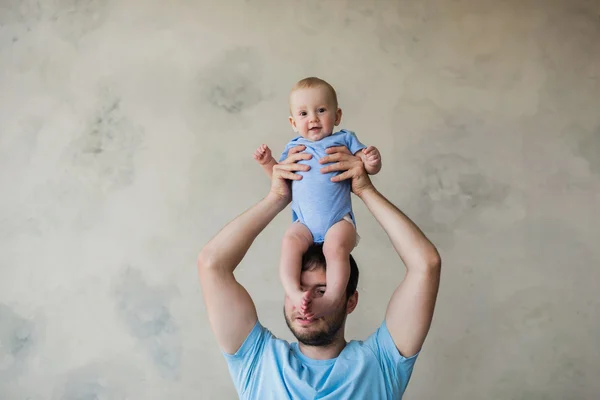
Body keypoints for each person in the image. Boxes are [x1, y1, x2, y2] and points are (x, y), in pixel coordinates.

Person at [197, 144, 442, 399]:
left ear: (350, 301)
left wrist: (365, 190)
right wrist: (278, 198)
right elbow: (211, 264)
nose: (306, 301)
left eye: (322, 290)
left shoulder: (381, 363)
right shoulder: (257, 360)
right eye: (300, 288)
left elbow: (426, 265)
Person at [253, 77, 382, 319]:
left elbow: (365, 168)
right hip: (304, 223)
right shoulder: (294, 147)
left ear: (337, 116)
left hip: (338, 220)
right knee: (289, 242)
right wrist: (267, 162)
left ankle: (334, 296)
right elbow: (280, 179)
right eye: (303, 113)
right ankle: (293, 291)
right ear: (293, 122)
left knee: (335, 249)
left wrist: (372, 161)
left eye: (321, 110)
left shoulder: (344, 139)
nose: (312, 118)